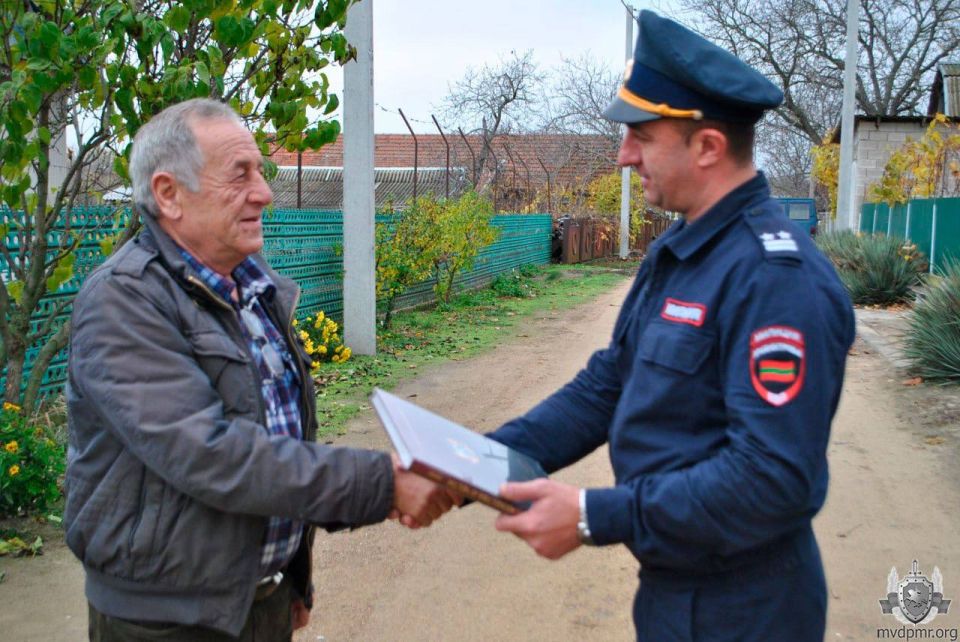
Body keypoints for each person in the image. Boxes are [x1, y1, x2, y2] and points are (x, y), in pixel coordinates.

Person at [489, 11, 855, 641]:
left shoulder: (775, 280)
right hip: (673, 591)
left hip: (746, 607)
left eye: (641, 136)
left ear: (708, 146)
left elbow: (771, 478)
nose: (625, 156)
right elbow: (611, 382)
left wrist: (591, 515)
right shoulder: (681, 249)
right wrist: (486, 458)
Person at [64, 98, 457, 641]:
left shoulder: (253, 287)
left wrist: (290, 581)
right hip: (165, 622)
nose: (264, 192)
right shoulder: (123, 301)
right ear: (168, 194)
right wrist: (383, 484)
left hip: (256, 602)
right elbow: (212, 455)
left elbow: (281, 429)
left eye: (261, 172)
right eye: (240, 174)